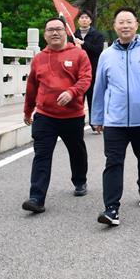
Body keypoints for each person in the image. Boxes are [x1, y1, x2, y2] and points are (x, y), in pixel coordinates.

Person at [91, 8, 140, 227]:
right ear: (114, 26)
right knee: (113, 162)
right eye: (120, 22)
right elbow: (99, 87)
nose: (125, 26)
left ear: (136, 25)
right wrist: (97, 117)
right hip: (114, 120)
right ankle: (111, 208)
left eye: (129, 22)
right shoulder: (107, 55)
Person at [21, 17, 92, 214]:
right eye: (50, 30)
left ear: (66, 32)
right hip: (45, 116)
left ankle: (80, 180)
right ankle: (36, 198)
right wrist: (28, 110)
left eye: (59, 29)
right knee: (42, 155)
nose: (55, 33)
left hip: (72, 115)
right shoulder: (39, 58)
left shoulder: (79, 54)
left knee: (76, 151)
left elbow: (86, 78)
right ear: (45, 35)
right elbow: (32, 87)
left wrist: (72, 92)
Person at [72, 11, 106, 125]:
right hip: (77, 72)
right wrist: (75, 47)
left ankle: (95, 122)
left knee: (93, 97)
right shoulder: (73, 36)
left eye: (87, 18)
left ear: (90, 20)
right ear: (78, 21)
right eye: (82, 17)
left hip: (92, 71)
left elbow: (98, 50)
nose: (84, 20)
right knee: (78, 98)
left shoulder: (97, 35)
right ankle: (78, 123)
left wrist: (83, 44)